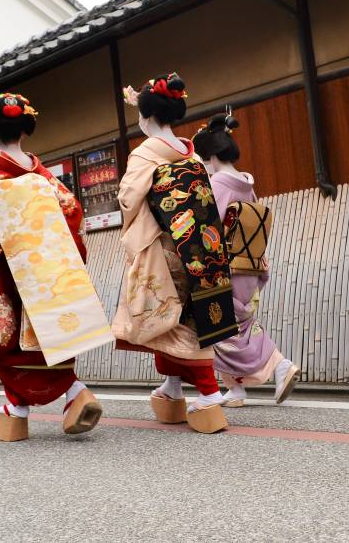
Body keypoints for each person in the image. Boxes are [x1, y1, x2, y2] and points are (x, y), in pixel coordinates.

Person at [0, 92, 103, 439]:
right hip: (46, 269)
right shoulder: (42, 174)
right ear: (25, 130)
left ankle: (19, 408)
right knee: (52, 332)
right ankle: (71, 393)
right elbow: (71, 211)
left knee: (9, 342)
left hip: (6, 268)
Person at [112, 73, 238, 434]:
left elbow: (127, 199)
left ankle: (211, 394)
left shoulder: (145, 154)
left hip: (162, 246)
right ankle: (170, 387)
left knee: (171, 318)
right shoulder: (192, 154)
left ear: (147, 117)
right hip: (197, 244)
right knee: (189, 314)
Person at [193, 112, 300, 406]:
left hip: (224, 266)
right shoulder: (246, 185)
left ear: (212, 156)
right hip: (249, 264)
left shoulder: (216, 186)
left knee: (220, 329)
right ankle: (236, 388)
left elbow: (205, 228)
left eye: (204, 160)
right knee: (239, 323)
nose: (204, 165)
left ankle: (279, 365)